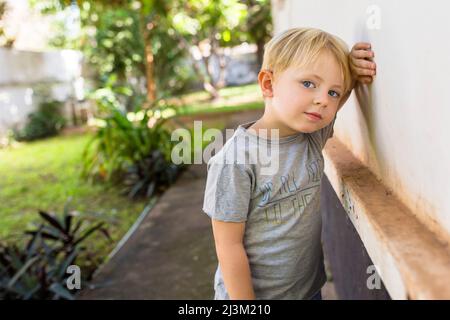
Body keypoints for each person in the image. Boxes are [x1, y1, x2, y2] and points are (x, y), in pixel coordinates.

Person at [202, 27, 376, 300]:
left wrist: (351, 68)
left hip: (308, 291)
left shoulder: (311, 134)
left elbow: (336, 98)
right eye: (308, 84)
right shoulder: (235, 161)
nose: (322, 100)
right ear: (268, 84)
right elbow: (228, 247)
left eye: (332, 92)